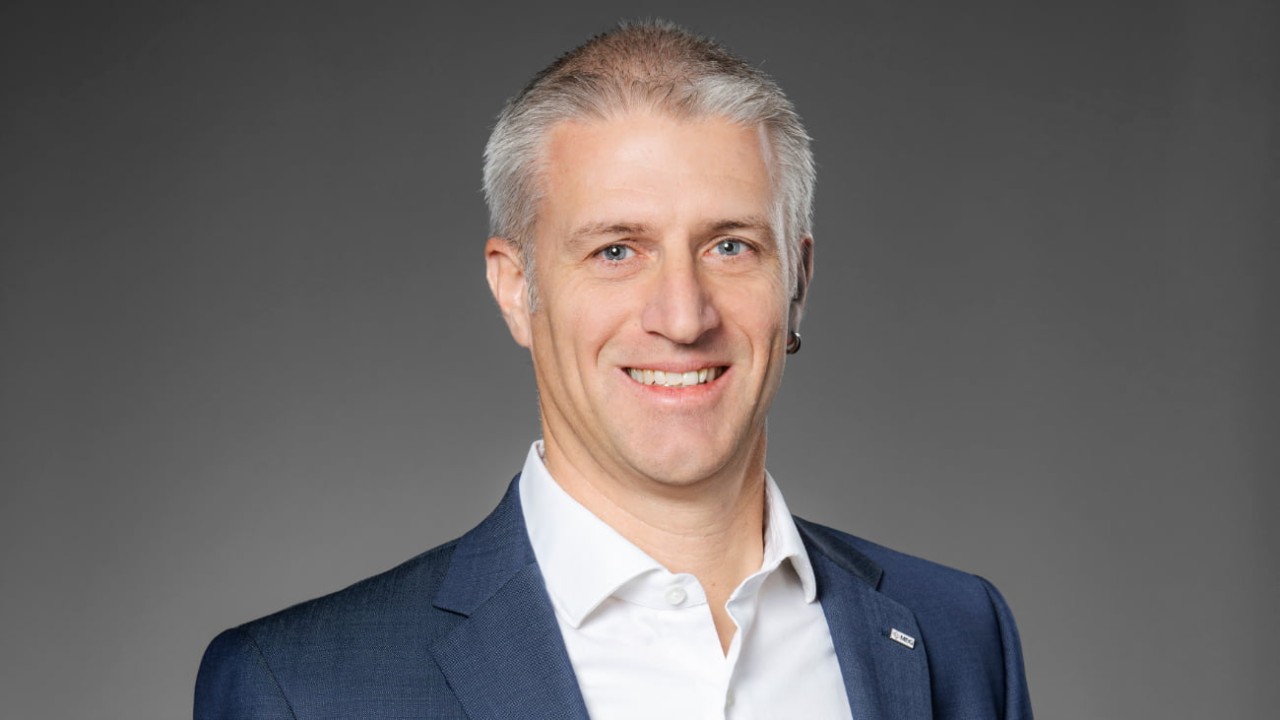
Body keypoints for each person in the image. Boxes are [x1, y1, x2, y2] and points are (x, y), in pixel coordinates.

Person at [196, 20, 1032, 720]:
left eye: (730, 246)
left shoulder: (958, 633)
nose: (683, 316)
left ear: (798, 283)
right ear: (516, 289)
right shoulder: (301, 688)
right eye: (616, 251)